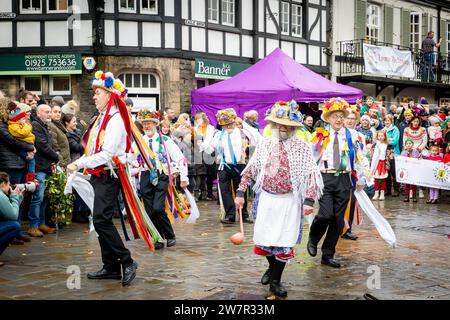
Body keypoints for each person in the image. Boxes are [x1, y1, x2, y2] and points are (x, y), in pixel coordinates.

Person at [234, 101, 323, 298]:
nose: (283, 128)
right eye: (279, 124)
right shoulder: (265, 144)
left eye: (287, 125)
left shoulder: (302, 146)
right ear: (273, 125)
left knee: (285, 240)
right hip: (266, 198)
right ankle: (272, 269)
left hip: (290, 200)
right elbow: (251, 169)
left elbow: (311, 174)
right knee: (265, 239)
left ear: (293, 127)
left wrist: (309, 200)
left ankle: (276, 280)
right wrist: (240, 193)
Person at [66, 70, 138, 286]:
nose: (94, 97)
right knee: (99, 220)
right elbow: (93, 148)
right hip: (99, 174)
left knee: (101, 219)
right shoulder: (102, 118)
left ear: (109, 94)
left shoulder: (115, 120)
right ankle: (111, 266)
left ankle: (127, 261)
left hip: (109, 174)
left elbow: (107, 153)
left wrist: (79, 163)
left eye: (98, 93)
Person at [307, 98, 372, 268]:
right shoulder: (318, 135)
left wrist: (362, 177)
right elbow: (310, 159)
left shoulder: (353, 135)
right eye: (334, 116)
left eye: (341, 116)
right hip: (325, 178)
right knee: (325, 214)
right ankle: (313, 237)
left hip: (344, 179)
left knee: (337, 220)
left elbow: (359, 157)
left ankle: (328, 254)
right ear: (328, 118)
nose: (338, 119)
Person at [136, 109, 189, 250]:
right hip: (145, 177)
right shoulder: (139, 142)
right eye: (144, 124)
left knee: (158, 208)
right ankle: (157, 237)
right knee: (149, 211)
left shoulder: (165, 141)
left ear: (155, 125)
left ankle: (170, 235)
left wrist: (184, 177)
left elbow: (180, 159)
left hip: (161, 175)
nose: (147, 126)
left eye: (150, 123)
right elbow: (131, 159)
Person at [202, 108, 253, 224]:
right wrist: (205, 145)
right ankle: (230, 215)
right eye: (225, 125)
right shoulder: (219, 135)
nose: (228, 127)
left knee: (241, 190)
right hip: (223, 166)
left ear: (234, 121)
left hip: (239, 165)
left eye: (230, 124)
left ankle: (243, 214)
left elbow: (253, 146)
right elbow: (210, 149)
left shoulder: (244, 133)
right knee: (225, 191)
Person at [28, 104, 59, 237]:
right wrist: (56, 156)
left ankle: (41, 223)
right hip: (39, 166)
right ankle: (33, 226)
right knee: (37, 198)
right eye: (47, 112)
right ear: (39, 113)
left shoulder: (44, 126)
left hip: (46, 167)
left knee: (45, 198)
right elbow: (42, 145)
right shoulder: (36, 125)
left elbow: (49, 144)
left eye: (50, 112)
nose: (49, 114)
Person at [342, 105, 365, 240]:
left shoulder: (359, 135)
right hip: (342, 172)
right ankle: (339, 227)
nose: (350, 121)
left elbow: (362, 155)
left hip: (355, 173)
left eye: (353, 119)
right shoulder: (341, 134)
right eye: (348, 118)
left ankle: (347, 228)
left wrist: (362, 176)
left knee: (352, 201)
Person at [7, 102, 36, 182]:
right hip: (23, 148)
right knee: (31, 161)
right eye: (23, 118)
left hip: (28, 145)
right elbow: (22, 133)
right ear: (17, 119)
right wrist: (28, 126)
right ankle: (31, 178)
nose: (25, 120)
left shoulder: (19, 124)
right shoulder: (13, 126)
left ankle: (30, 177)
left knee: (30, 162)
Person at [0, 172, 24, 265]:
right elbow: (13, 216)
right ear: (3, 184)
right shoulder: (1, 195)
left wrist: (19, 198)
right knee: (14, 226)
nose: (10, 187)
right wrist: (14, 196)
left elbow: (8, 212)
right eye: (9, 184)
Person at [193, 111, 216, 201]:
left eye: (199, 118)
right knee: (199, 174)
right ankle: (197, 193)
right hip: (198, 154)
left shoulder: (210, 128)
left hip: (208, 153)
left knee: (208, 174)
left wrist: (202, 145)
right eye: (196, 119)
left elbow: (209, 141)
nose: (198, 121)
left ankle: (206, 193)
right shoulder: (195, 129)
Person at [48, 104, 71, 168]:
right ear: (50, 113)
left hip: (66, 161)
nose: (58, 114)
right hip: (61, 163)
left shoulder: (59, 125)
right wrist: (62, 164)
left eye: (59, 112)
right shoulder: (51, 126)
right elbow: (55, 147)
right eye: (55, 112)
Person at [384, 114, 400, 197]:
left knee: (394, 172)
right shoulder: (383, 130)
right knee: (387, 171)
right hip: (385, 153)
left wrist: (385, 140)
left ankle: (396, 190)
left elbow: (394, 141)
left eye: (388, 120)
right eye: (385, 120)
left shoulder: (395, 129)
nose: (387, 122)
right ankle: (388, 190)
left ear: (391, 121)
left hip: (394, 153)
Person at [371, 130, 389, 201]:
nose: (380, 137)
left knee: (383, 179)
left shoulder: (386, 145)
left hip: (383, 163)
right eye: (379, 136)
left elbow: (388, 154)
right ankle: (376, 193)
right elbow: (373, 155)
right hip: (376, 163)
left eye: (382, 136)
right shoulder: (376, 145)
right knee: (376, 179)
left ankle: (382, 193)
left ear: (384, 137)